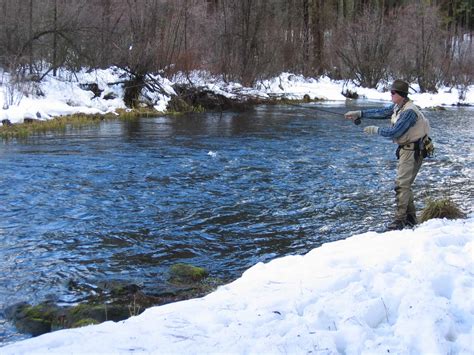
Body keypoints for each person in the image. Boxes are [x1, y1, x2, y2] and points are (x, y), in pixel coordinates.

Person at [344, 80, 431, 231]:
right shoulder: (399, 106)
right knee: (405, 185)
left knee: (401, 185)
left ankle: (399, 221)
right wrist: (360, 114)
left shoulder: (409, 112)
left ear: (401, 95)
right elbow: (382, 112)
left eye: (393, 93)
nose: (390, 95)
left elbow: (395, 132)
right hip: (407, 150)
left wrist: (375, 129)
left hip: (413, 151)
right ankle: (411, 220)